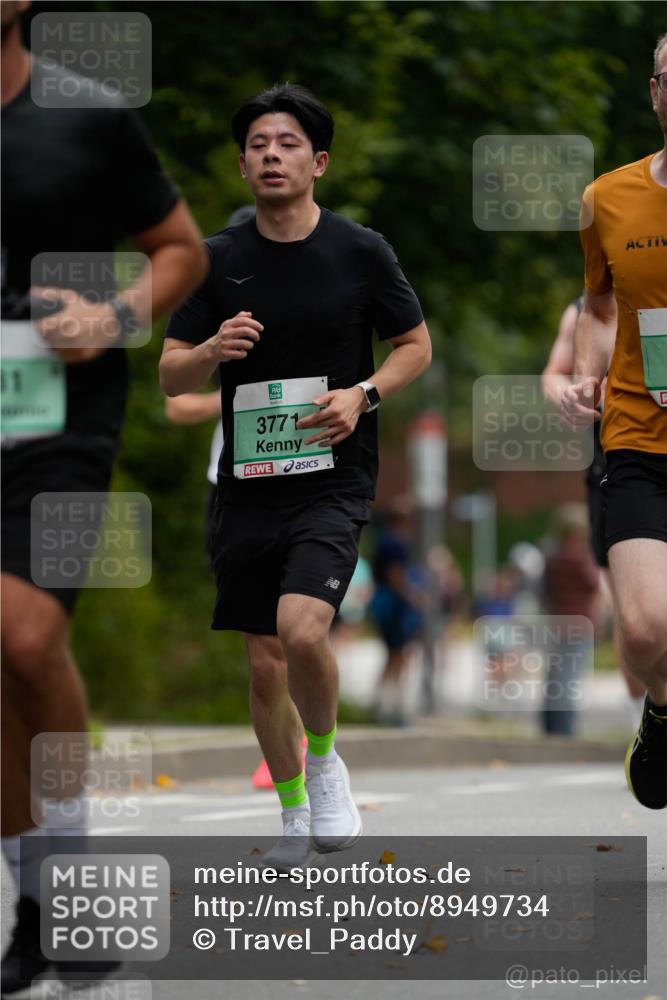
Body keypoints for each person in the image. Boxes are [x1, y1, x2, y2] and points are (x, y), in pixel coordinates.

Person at [160, 84, 431, 867]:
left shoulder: (360, 251)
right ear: (243, 166)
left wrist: (363, 393)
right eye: (256, 145)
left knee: (301, 627)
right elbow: (170, 379)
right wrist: (211, 351)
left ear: (317, 161)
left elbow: (414, 346)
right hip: (247, 483)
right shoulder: (215, 259)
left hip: (333, 476)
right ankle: (288, 812)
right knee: (260, 658)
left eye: (285, 143)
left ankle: (323, 760)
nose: (270, 155)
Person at [1, 3, 207, 993]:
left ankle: (68, 882)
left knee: (27, 635)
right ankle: (41, 901)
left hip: (59, 416)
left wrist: (115, 311)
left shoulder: (83, 113)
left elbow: (182, 249)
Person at [561, 33, 667, 810]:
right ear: (656, 93)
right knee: (641, 631)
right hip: (638, 436)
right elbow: (598, 304)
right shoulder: (607, 196)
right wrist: (586, 372)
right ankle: (661, 712)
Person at [542, 298, 645, 725]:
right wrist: (567, 394)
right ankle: (646, 719)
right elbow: (553, 373)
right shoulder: (586, 306)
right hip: (617, 466)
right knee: (632, 607)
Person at [165, 206, 256, 549]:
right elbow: (176, 405)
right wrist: (230, 398)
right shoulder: (221, 324)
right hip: (228, 476)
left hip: (301, 472)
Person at [540, 504, 601, 736]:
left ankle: (550, 725)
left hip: (556, 621)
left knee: (555, 676)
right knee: (570, 678)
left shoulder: (552, 557)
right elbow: (594, 585)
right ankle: (565, 729)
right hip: (579, 623)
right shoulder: (582, 559)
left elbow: (545, 590)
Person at [369, 496, 424, 725]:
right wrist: (413, 597)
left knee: (393, 655)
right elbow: (395, 575)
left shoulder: (384, 541)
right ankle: (393, 708)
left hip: (385, 603)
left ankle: (382, 703)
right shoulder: (395, 543)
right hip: (394, 606)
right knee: (399, 654)